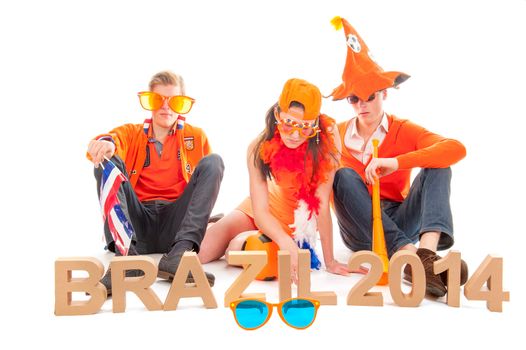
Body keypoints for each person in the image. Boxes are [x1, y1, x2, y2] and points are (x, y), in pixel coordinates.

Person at [329, 17, 468, 297]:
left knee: (438, 166)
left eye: (369, 96)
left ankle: (424, 258)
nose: (362, 104)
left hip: (399, 218)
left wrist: (396, 162)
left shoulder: (403, 130)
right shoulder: (335, 133)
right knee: (343, 175)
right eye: (354, 99)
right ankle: (407, 255)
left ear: (384, 94)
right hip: (359, 229)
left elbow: (456, 148)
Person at [198, 78, 366, 283]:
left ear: (315, 124)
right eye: (289, 124)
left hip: (291, 224)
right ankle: (218, 226)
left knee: (237, 249)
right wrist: (284, 242)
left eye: (305, 128)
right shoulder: (257, 148)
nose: (295, 135)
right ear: (278, 115)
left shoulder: (328, 139)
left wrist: (330, 261)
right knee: (202, 253)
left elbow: (321, 203)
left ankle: (244, 237)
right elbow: (260, 211)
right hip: (260, 210)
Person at [87, 70, 224, 295]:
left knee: (214, 162)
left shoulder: (196, 136)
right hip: (136, 223)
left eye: (175, 101)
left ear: (182, 105)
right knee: (106, 162)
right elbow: (112, 139)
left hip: (175, 224)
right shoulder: (132, 133)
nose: (165, 107)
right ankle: (127, 260)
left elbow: (202, 190)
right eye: (158, 99)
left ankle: (178, 256)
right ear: (149, 102)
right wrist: (107, 145)